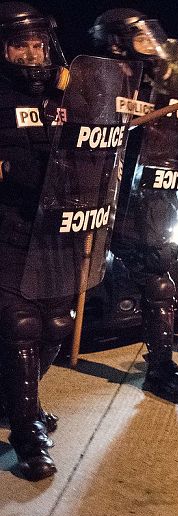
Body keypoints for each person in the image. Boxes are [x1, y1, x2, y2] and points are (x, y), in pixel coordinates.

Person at [90, 9, 178, 400]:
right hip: (90, 196)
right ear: (116, 44)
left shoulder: (161, 87)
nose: (153, 47)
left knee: (157, 280)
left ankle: (160, 367)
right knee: (47, 307)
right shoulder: (88, 81)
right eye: (142, 40)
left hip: (137, 199)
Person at [0, 1, 71, 480]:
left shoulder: (63, 97)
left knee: (58, 324)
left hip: (57, 230)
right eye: (19, 46)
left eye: (37, 45)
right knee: (22, 324)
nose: (31, 55)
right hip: (8, 226)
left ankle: (18, 400)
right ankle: (28, 436)